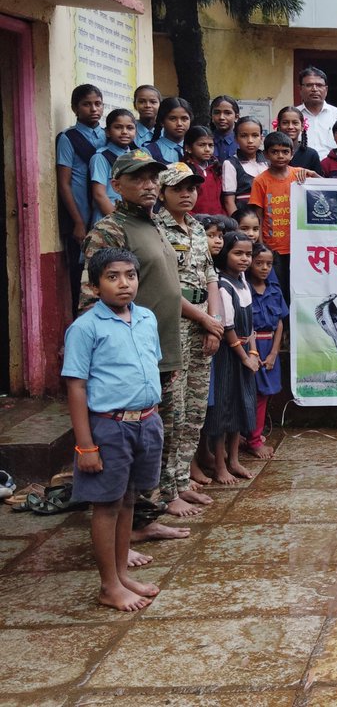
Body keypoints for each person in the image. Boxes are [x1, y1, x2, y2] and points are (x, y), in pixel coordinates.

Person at [81, 151, 186, 537]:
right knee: (131, 448)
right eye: (138, 178)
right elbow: (91, 301)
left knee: (159, 440)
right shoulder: (110, 231)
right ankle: (132, 528)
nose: (148, 185)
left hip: (162, 349)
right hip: (131, 362)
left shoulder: (154, 222)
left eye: (152, 178)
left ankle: (145, 518)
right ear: (117, 185)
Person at [63, 247, 164, 612]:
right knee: (106, 506)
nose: (124, 284)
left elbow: (150, 364)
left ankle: (122, 575)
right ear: (94, 286)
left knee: (127, 501)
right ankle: (108, 585)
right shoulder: (85, 328)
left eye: (130, 275)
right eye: (113, 277)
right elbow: (76, 386)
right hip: (109, 428)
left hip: (146, 422)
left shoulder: (147, 318)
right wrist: (85, 445)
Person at [154, 163, 222, 512]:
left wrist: (216, 322)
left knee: (195, 412)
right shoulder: (157, 228)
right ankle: (165, 493)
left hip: (202, 325)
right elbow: (165, 287)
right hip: (175, 326)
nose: (187, 193)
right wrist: (206, 320)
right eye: (179, 188)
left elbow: (211, 275)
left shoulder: (196, 226)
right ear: (163, 192)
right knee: (173, 412)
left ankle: (182, 483)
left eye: (192, 187)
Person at [204, 232, 257, 485]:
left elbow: (251, 325)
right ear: (225, 254)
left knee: (240, 406)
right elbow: (228, 328)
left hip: (246, 352)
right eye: (238, 253)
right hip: (229, 355)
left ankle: (235, 459)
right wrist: (244, 356)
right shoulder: (223, 286)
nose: (245, 259)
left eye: (248, 254)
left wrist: (254, 352)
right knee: (223, 410)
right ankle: (219, 465)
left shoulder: (243, 282)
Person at [57, 84, 106, 305]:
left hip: (103, 214)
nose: (93, 109)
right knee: (81, 275)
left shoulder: (109, 135)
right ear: (75, 108)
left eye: (97, 104)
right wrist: (77, 221)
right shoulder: (68, 138)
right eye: (86, 104)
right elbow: (64, 183)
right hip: (81, 215)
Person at [249, 131, 308, 296]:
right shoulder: (260, 181)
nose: (280, 156)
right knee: (278, 289)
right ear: (266, 154)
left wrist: (312, 175)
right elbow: (258, 217)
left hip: (298, 246)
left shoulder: (299, 174)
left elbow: (323, 189)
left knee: (297, 290)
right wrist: (261, 247)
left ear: (292, 153)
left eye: (285, 152)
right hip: (273, 247)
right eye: (275, 152)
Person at [246, 243, 286, 459]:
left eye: (268, 264)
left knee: (265, 395)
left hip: (269, 346)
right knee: (254, 395)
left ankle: (255, 434)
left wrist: (273, 353)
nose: (264, 268)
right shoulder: (245, 290)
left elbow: (279, 323)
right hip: (251, 347)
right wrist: (254, 352)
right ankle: (252, 440)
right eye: (259, 263)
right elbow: (247, 324)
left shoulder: (274, 290)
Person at [89, 108, 139, 222]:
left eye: (130, 128)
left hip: (130, 219)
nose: (124, 132)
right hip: (107, 220)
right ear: (107, 132)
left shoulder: (136, 156)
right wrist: (119, 222)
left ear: (135, 132)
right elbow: (99, 195)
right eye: (118, 127)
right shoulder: (101, 157)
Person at [296, 66, 337, 158]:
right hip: (299, 170)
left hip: (332, 170)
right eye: (309, 85)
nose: (314, 89)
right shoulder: (292, 117)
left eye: (319, 85)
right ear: (300, 89)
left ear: (326, 90)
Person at [222, 116, 267, 215]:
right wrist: (239, 226)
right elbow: (229, 201)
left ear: (261, 138)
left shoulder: (268, 162)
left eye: (255, 135)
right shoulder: (231, 164)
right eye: (244, 136)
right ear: (236, 139)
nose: (250, 140)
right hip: (245, 218)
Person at [183, 126, 224, 216]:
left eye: (210, 145)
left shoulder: (216, 169)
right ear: (188, 148)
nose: (207, 149)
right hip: (194, 222)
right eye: (201, 145)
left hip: (218, 221)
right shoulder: (184, 171)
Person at [275, 106, 323, 175]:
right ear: (279, 126)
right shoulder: (271, 152)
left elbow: (319, 183)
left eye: (295, 123)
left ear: (302, 126)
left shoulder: (311, 154)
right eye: (285, 123)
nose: (290, 127)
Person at [145, 97, 192, 165]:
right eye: (173, 119)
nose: (179, 124)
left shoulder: (198, 149)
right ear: (162, 122)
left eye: (184, 119)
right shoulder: (148, 152)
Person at [209, 96, 240, 163]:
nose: (221, 117)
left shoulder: (241, 142)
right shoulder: (205, 141)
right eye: (217, 112)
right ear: (211, 116)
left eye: (227, 113)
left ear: (236, 117)